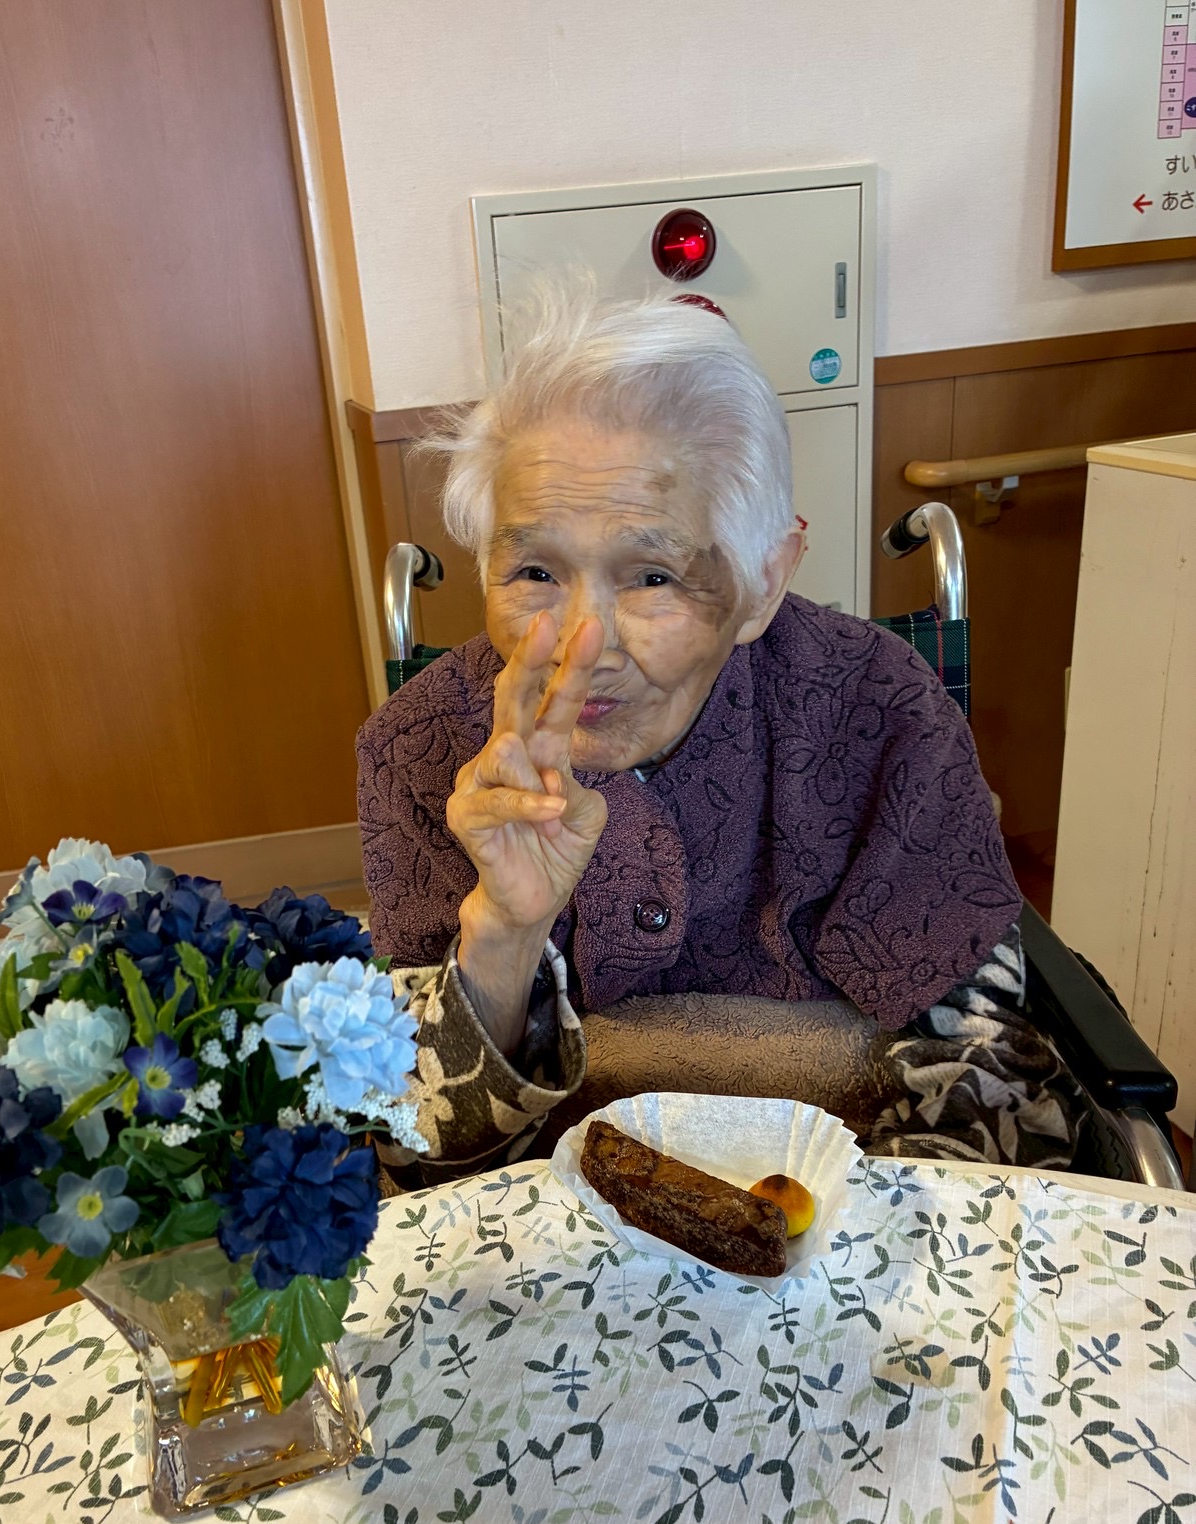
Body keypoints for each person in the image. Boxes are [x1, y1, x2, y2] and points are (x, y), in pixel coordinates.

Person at [357, 289, 1080, 1187]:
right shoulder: (419, 747)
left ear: (764, 582)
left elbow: (987, 1085)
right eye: (535, 570)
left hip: (845, 1208)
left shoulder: (885, 712)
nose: (583, 645)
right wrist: (502, 933)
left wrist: (834, 1247)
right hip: (561, 1230)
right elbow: (421, 1161)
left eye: (652, 576)